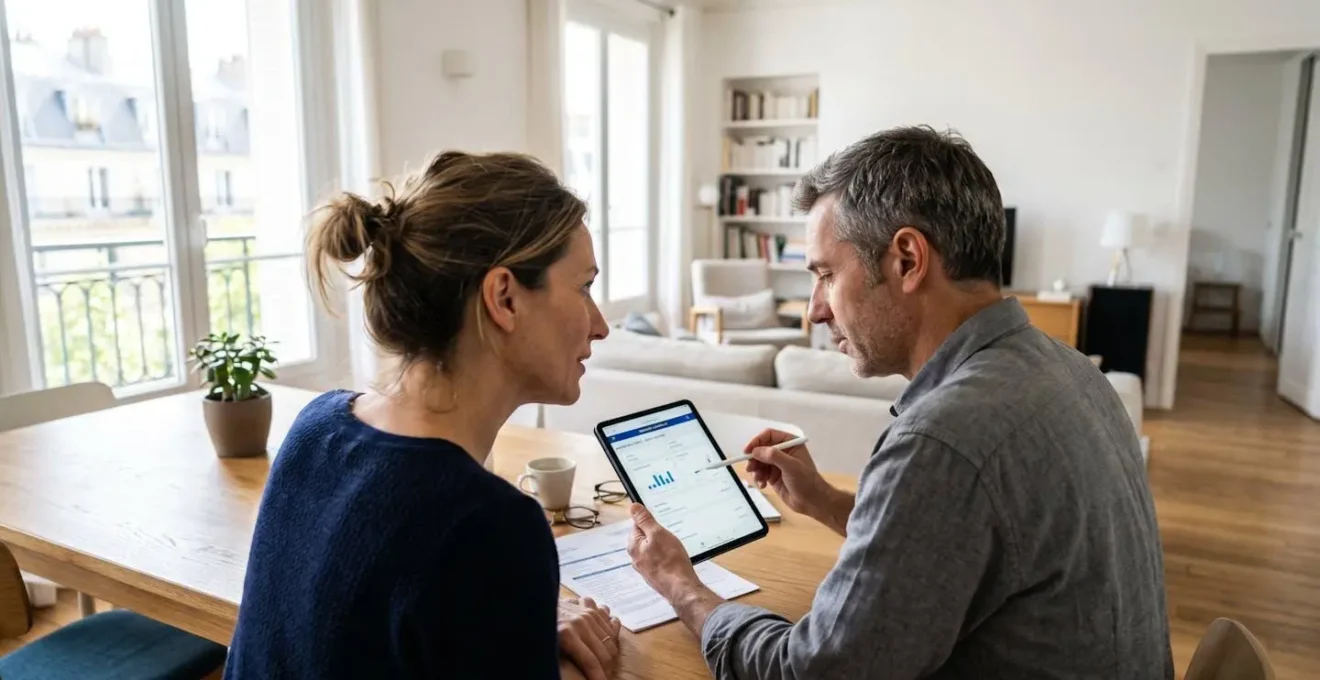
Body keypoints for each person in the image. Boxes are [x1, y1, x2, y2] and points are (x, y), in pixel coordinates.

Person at [627, 126, 1173, 679]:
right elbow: (950, 554)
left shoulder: (943, 440)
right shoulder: (1074, 371)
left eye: (825, 274)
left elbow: (812, 674)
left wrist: (682, 587)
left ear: (908, 259)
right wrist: (824, 501)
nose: (815, 310)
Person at [224, 151, 622, 680]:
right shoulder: (491, 525)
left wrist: (511, 624)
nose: (600, 325)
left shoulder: (314, 427)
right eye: (584, 287)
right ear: (504, 297)